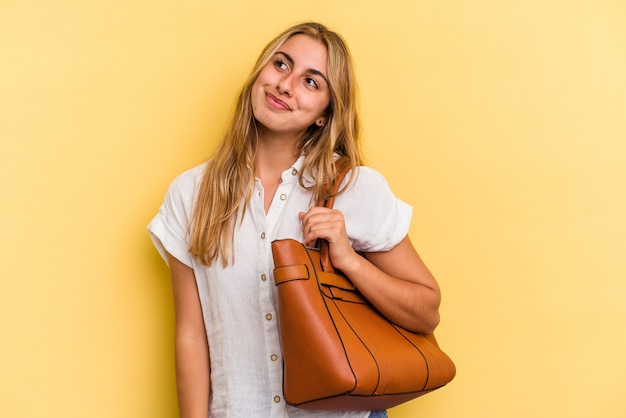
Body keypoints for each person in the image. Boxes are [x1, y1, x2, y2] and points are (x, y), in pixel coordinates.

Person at [148, 21, 441, 418]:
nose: (285, 85)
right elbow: (191, 334)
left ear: (324, 114)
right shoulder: (191, 193)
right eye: (281, 64)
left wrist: (349, 260)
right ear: (260, 74)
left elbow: (426, 312)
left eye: (311, 82)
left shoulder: (354, 187)